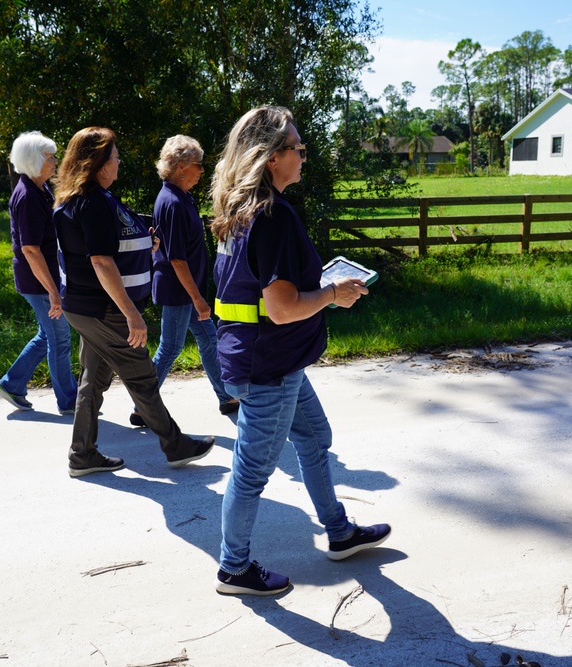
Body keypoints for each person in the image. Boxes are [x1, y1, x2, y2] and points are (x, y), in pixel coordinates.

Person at [209, 106, 391, 596]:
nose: (304, 156)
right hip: (267, 364)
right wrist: (333, 293)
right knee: (252, 471)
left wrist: (320, 286)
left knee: (314, 438)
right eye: (298, 148)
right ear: (272, 157)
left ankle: (339, 532)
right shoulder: (273, 216)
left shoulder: (239, 209)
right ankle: (233, 568)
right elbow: (283, 308)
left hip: (263, 357)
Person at [52, 127, 215, 477]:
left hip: (84, 308)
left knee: (93, 380)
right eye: (114, 157)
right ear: (99, 165)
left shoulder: (83, 199)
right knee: (142, 377)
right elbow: (100, 261)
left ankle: (82, 454)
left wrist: (146, 244)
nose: (119, 162)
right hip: (105, 310)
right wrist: (131, 314)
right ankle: (176, 446)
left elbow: (113, 247)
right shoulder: (94, 203)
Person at [129, 135, 238, 427]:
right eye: (198, 165)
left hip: (185, 288)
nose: (202, 170)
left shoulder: (181, 197)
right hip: (179, 290)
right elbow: (177, 259)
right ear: (180, 166)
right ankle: (143, 405)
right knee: (170, 348)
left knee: (209, 339)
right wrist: (198, 298)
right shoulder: (174, 202)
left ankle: (227, 397)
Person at [0, 131, 78, 415]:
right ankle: (70, 401)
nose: (55, 161)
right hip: (39, 282)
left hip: (44, 278)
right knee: (59, 338)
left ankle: (11, 384)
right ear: (33, 160)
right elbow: (30, 249)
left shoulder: (40, 189)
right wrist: (53, 292)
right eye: (49, 157)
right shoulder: (28, 196)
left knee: (47, 335)